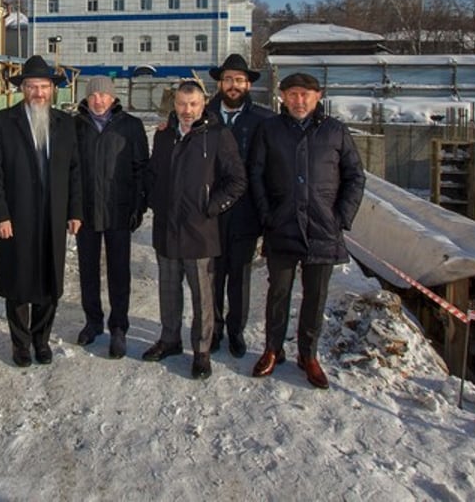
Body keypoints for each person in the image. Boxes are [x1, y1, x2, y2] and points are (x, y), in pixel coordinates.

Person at [248, 72, 365, 389]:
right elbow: (256, 174)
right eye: (292, 94)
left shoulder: (334, 131)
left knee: (315, 295)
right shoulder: (270, 130)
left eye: (305, 94)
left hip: (322, 227)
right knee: (279, 292)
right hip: (281, 224)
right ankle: (273, 349)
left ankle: (308, 355)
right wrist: (266, 214)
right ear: (282, 97)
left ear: (318, 96)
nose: (299, 101)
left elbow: (355, 176)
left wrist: (340, 216)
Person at [143, 80, 246, 380]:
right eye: (181, 104)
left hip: (199, 232)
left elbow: (237, 180)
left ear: (204, 105)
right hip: (167, 228)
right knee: (168, 289)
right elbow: (153, 172)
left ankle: (201, 352)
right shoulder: (163, 136)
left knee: (202, 295)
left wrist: (211, 207)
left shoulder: (217, 136)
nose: (186, 111)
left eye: (193, 104)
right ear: (173, 104)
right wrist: (154, 199)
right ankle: (170, 339)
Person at [0, 55, 82, 367]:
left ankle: (41, 340)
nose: (39, 93)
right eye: (32, 87)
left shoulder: (65, 124)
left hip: (53, 217)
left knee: (48, 281)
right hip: (16, 216)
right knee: (18, 281)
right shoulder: (3, 122)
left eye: (44, 87)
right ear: (22, 90)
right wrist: (0, 215)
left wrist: (74, 211)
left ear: (52, 90)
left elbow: (74, 170)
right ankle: (20, 344)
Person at [74, 75, 148, 359]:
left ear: (113, 98)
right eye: (93, 95)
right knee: (88, 270)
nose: (98, 100)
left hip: (119, 211)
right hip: (87, 213)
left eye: (103, 95)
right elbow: (71, 171)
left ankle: (119, 327)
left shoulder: (131, 126)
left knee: (119, 272)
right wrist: (73, 210)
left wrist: (138, 207)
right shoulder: (76, 126)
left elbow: (141, 169)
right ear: (86, 97)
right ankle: (93, 322)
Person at [205, 54, 274, 358]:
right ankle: (215, 328)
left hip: (246, 213)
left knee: (239, 276)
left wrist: (266, 213)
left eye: (239, 80)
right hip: (209, 212)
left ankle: (236, 331)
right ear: (219, 83)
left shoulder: (264, 121)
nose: (233, 86)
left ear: (248, 84)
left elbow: (271, 170)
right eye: (228, 79)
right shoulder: (202, 115)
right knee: (212, 274)